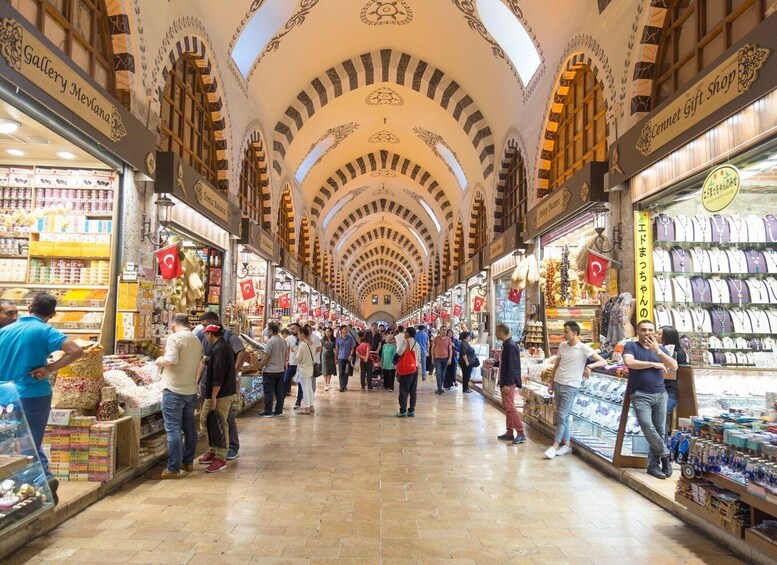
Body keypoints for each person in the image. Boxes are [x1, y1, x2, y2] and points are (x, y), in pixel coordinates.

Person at [0, 293, 83, 504]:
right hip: (34, 394)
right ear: (53, 314)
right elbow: (75, 350)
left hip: (5, 395)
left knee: (10, 442)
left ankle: (24, 487)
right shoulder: (45, 330)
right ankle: (40, 483)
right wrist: (48, 368)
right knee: (31, 442)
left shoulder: (5, 331)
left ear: (29, 307)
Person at [623, 320, 678, 480]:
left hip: (660, 394)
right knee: (647, 425)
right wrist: (653, 363)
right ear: (638, 332)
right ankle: (665, 455)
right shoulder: (631, 346)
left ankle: (653, 465)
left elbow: (674, 366)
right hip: (640, 394)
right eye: (643, 330)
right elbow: (629, 363)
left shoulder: (660, 349)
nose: (647, 333)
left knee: (660, 430)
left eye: (650, 330)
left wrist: (659, 353)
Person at [544, 321, 606, 460]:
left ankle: (555, 445)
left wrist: (590, 367)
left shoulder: (583, 348)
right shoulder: (562, 346)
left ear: (575, 333)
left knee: (562, 416)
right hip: (559, 382)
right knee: (562, 416)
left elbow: (603, 361)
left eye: (566, 332)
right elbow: (557, 365)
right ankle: (567, 445)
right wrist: (551, 382)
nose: (564, 334)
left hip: (571, 385)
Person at [195, 312, 247, 461]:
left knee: (224, 418)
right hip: (209, 384)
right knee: (209, 418)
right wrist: (198, 380)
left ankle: (230, 447)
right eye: (203, 325)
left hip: (221, 388)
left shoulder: (228, 337)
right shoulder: (203, 336)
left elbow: (241, 353)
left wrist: (231, 374)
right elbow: (202, 360)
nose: (204, 329)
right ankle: (214, 448)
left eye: (207, 325)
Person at [155, 314, 202, 478]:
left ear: (172, 325)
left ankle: (173, 468)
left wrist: (159, 360)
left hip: (174, 390)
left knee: (173, 429)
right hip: (190, 390)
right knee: (189, 428)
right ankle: (188, 462)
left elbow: (171, 360)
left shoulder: (174, 338)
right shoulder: (196, 340)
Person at [198, 324, 236, 473]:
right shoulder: (218, 347)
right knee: (206, 419)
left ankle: (221, 457)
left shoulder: (221, 349)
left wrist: (214, 396)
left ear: (210, 334)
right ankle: (213, 450)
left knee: (219, 422)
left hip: (222, 393)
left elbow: (219, 376)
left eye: (206, 334)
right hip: (216, 392)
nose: (205, 337)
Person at [487, 324, 526, 445]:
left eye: (496, 332)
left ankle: (521, 433)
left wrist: (507, 384)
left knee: (510, 407)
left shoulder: (510, 345)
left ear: (502, 332)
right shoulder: (507, 345)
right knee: (508, 408)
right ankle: (509, 432)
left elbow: (512, 367)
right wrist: (495, 363)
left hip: (508, 382)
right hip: (505, 381)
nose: (495, 334)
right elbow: (506, 363)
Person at [657, 325, 688, 436]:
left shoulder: (679, 354)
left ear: (667, 337)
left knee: (660, 413)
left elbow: (682, 374)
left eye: (659, 334)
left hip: (672, 391)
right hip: (658, 389)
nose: (656, 336)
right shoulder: (657, 350)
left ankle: (662, 444)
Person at [256, 322, 287, 417]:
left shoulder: (270, 341)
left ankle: (268, 411)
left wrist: (260, 368)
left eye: (268, 330)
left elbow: (266, 357)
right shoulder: (283, 341)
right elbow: (285, 355)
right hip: (280, 370)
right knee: (279, 392)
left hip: (270, 371)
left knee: (268, 392)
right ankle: (278, 410)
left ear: (271, 330)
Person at [395, 326, 422, 417]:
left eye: (405, 332)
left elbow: (400, 352)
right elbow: (419, 358)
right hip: (415, 368)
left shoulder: (405, 341)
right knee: (413, 390)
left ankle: (403, 411)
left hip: (407, 369)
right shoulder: (417, 344)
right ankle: (412, 410)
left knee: (404, 389)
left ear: (408, 333)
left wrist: (394, 361)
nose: (404, 334)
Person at [296, 325, 316, 414]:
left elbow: (298, 358)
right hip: (310, 369)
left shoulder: (302, 345)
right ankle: (311, 406)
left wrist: (295, 351)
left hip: (303, 369)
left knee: (305, 388)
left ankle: (307, 408)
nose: (298, 336)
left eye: (299, 334)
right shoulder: (312, 344)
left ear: (303, 334)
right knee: (309, 388)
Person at [431, 327, 453, 395]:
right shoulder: (436, 339)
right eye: (443, 330)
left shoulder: (448, 339)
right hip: (437, 358)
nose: (444, 331)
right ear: (440, 331)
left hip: (445, 359)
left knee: (443, 374)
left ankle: (440, 387)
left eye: (445, 330)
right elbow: (432, 349)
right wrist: (432, 358)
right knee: (439, 373)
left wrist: (450, 358)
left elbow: (450, 349)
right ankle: (439, 388)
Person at [335, 325, 356, 391]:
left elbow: (352, 347)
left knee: (346, 372)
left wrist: (350, 355)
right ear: (341, 330)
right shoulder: (338, 339)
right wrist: (336, 358)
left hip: (348, 358)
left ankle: (344, 385)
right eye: (345, 329)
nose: (346, 330)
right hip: (340, 358)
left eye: (347, 329)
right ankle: (342, 386)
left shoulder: (350, 338)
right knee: (341, 373)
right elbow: (337, 349)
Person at [284, 323, 300, 397]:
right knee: (285, 381)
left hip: (301, 364)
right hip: (292, 363)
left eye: (293, 329)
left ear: (298, 328)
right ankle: (281, 400)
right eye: (291, 329)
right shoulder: (289, 338)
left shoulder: (303, 338)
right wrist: (286, 360)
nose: (291, 330)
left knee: (301, 383)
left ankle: (299, 400)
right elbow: (287, 350)